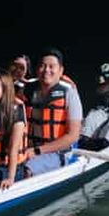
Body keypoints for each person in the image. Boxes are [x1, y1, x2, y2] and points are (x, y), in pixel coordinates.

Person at [22, 48, 83, 176]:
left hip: (57, 152)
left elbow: (73, 136)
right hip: (29, 148)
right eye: (42, 66)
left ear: (60, 71)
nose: (46, 71)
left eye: (51, 66)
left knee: (27, 170)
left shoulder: (69, 93)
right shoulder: (27, 90)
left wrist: (38, 151)